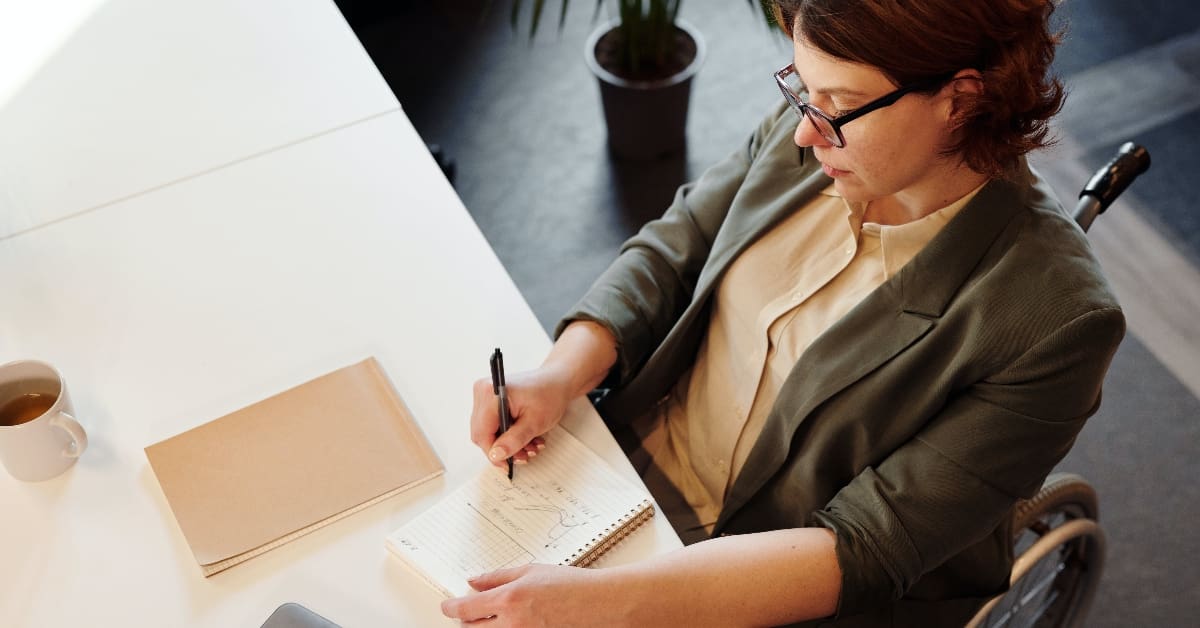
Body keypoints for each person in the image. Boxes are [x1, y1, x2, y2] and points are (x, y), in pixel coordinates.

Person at [442, 0, 1125, 625]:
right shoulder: (825, 137)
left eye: (835, 102)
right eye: (802, 87)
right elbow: (676, 249)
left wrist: (609, 603)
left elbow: (862, 547)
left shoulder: (1060, 324)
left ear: (960, 99)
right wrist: (561, 376)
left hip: (770, 579)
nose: (803, 131)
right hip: (623, 478)